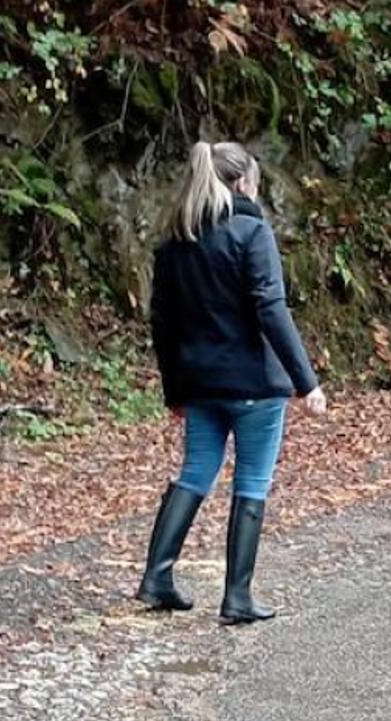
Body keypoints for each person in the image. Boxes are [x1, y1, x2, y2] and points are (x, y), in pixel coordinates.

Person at [136, 141, 327, 624]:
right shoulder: (251, 232)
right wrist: (307, 383)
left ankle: (157, 576)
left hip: (200, 384)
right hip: (256, 386)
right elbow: (270, 308)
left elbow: (162, 323)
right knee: (253, 481)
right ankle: (237, 596)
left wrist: (174, 390)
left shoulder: (174, 242)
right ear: (243, 183)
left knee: (196, 470)